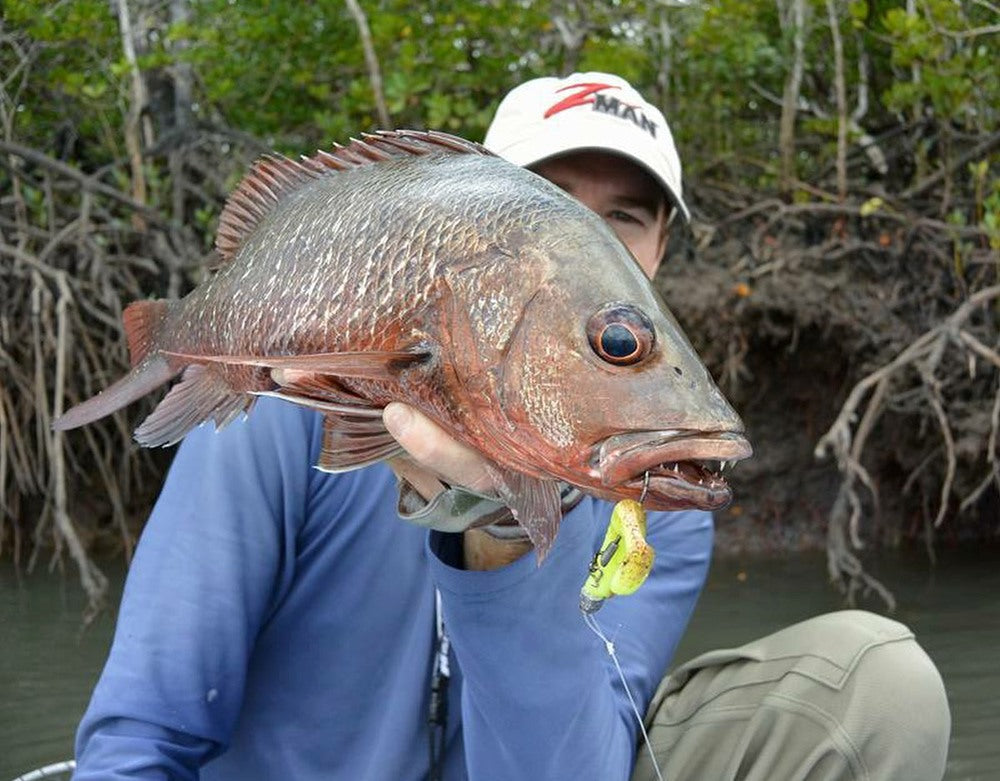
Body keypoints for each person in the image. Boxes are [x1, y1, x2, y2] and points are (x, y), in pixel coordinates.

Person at [72, 73, 950, 780]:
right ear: (460, 221)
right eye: (548, 204)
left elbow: (565, 768)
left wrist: (495, 536)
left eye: (625, 218)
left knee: (876, 681)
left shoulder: (652, 493)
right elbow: (140, 735)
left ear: (657, 255)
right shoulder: (286, 402)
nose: (582, 238)